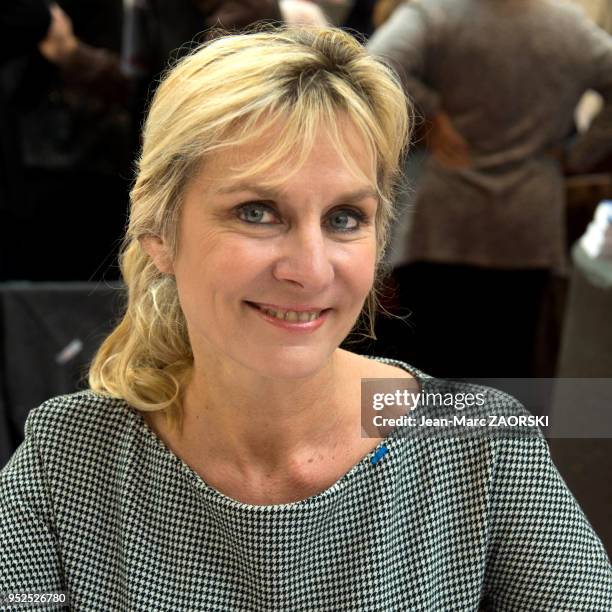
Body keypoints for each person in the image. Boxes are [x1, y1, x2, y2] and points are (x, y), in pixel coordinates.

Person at [1, 26, 611, 611]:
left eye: (345, 218)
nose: (312, 271)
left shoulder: (481, 442)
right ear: (157, 228)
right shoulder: (67, 460)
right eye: (258, 211)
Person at [367, 0, 612, 378]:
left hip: (444, 218)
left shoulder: (436, 14)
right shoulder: (571, 28)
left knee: (426, 369)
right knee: (507, 370)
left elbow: (373, 64)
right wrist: (578, 155)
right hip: (526, 223)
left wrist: (430, 113)